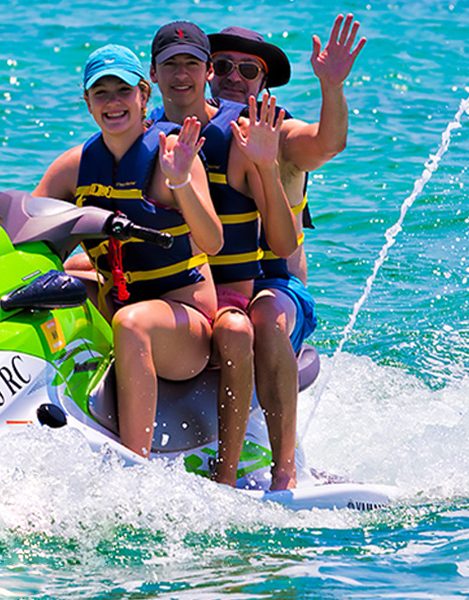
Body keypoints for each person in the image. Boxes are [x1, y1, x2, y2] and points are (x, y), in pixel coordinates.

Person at [0, 44, 223, 460]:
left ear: (144, 96)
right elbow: (24, 232)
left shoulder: (173, 155)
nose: (113, 102)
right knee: (33, 293)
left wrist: (182, 182)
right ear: (87, 102)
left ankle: (134, 463)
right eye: (101, 93)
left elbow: (212, 242)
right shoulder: (74, 167)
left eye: (123, 91)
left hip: (183, 320)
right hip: (115, 299)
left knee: (133, 324)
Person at [207, 15, 366, 488]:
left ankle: (286, 476)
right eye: (222, 66)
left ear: (264, 84)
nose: (234, 76)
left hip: (273, 289)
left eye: (247, 70)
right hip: (205, 287)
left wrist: (331, 86)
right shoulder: (190, 135)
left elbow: (329, 142)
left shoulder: (283, 138)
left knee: (266, 316)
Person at [149, 21, 299, 487]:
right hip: (168, 290)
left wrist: (266, 164)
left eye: (191, 63)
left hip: (235, 295)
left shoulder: (245, 136)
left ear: (204, 71)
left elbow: (283, 242)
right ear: (152, 75)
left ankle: (265, 473)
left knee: (249, 325)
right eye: (170, 65)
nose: (181, 74)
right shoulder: (141, 133)